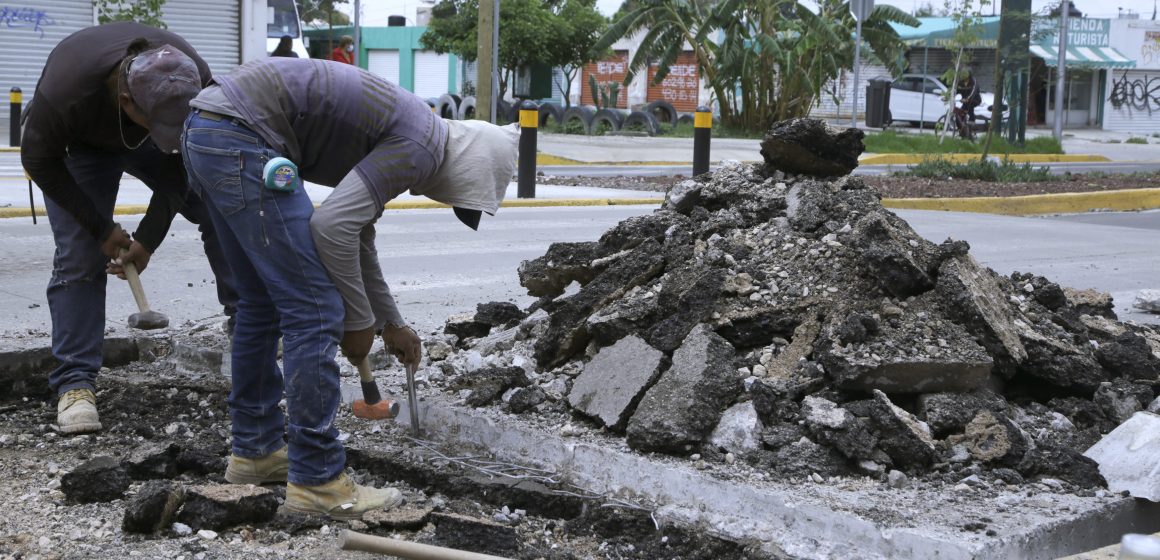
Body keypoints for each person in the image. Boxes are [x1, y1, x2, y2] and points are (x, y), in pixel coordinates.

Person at [152, 56, 517, 519]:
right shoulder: (420, 146)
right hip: (242, 136)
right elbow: (331, 229)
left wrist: (389, 323)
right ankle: (318, 480)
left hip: (209, 131)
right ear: (466, 172)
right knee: (315, 310)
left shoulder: (414, 133)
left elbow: (357, 233)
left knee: (260, 304)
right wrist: (357, 322)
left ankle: (256, 452)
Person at [21, 22, 238, 435]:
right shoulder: (68, 88)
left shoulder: (196, 76)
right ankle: (75, 384)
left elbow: (181, 166)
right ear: (126, 99)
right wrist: (100, 228)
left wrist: (148, 239)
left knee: (222, 208)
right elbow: (39, 160)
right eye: (162, 126)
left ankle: (249, 340)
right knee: (80, 255)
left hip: (149, 139)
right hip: (81, 145)